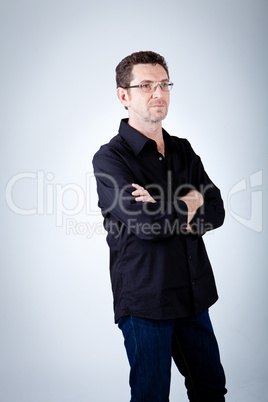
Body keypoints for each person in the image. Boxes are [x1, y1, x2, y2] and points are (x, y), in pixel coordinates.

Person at [92, 51, 227, 402]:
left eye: (164, 84)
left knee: (211, 390)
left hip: (193, 296)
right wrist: (188, 203)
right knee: (151, 396)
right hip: (145, 301)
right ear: (124, 96)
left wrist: (163, 207)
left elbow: (217, 210)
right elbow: (141, 222)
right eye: (146, 85)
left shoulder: (183, 151)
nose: (158, 93)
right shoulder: (110, 158)